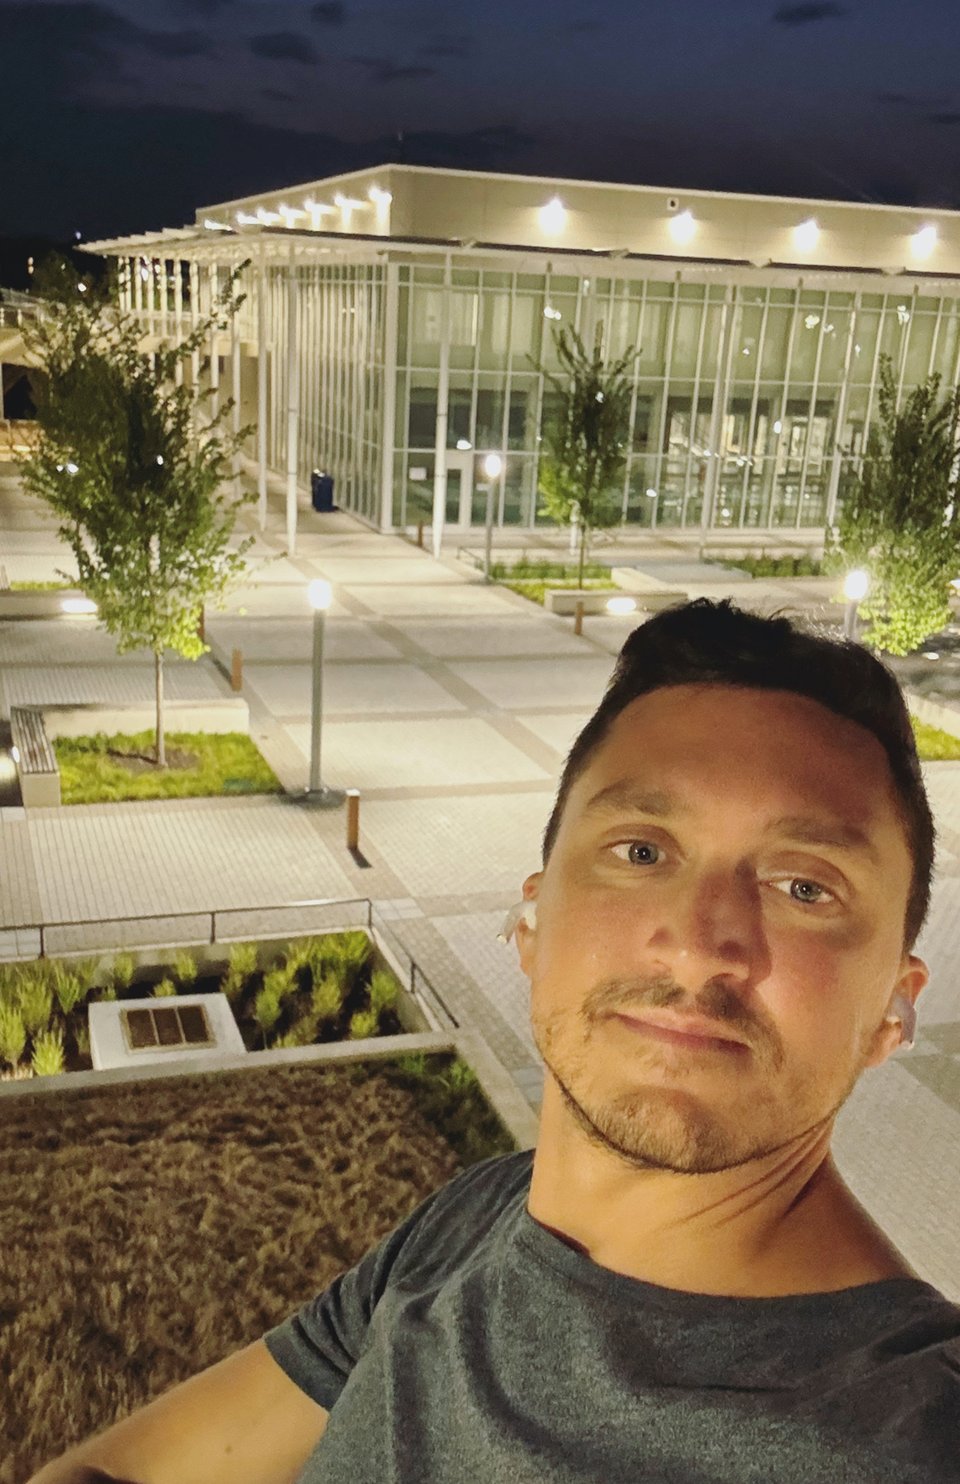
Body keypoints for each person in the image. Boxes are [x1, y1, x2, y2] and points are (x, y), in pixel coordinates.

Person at [30, 599, 960, 1484]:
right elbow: (117, 1466)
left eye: (806, 887)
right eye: (641, 851)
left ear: (893, 1007)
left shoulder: (912, 1431)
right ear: (531, 922)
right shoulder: (477, 1220)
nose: (699, 941)